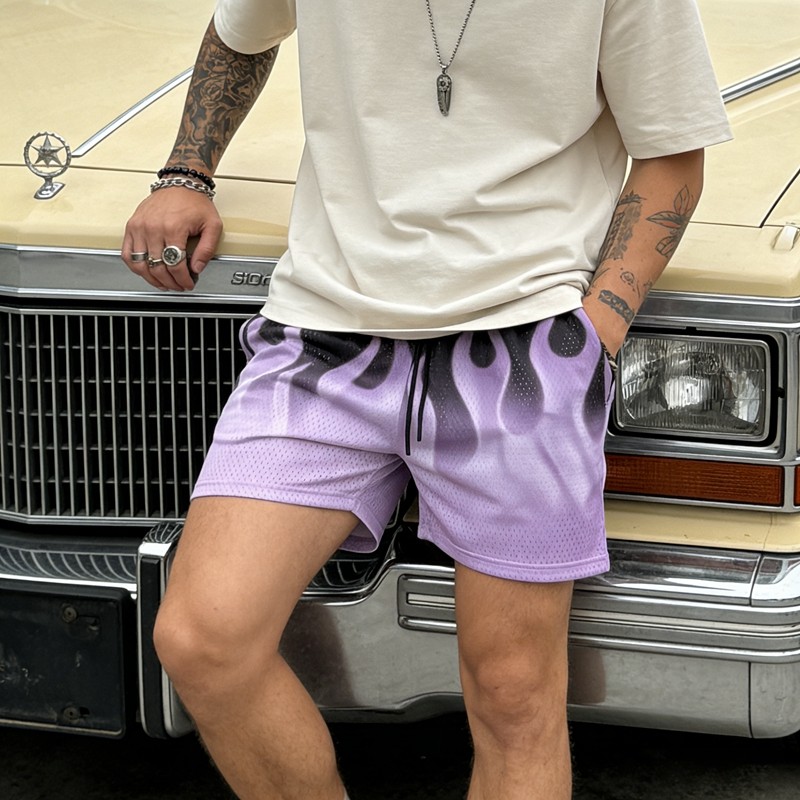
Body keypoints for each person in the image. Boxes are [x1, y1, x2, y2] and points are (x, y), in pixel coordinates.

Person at [121, 1, 732, 798]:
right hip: (326, 331)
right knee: (203, 638)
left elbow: (672, 150)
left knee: (514, 693)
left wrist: (596, 330)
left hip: (522, 342)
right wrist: (185, 173)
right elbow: (241, 30)